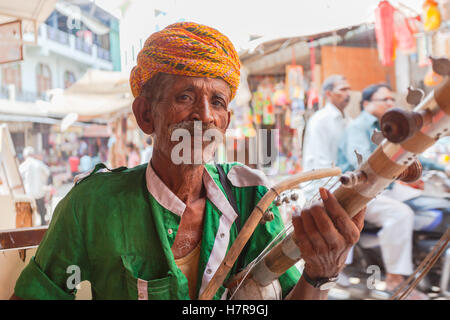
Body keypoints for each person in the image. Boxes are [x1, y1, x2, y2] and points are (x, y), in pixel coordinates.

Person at [11, 22, 364, 300]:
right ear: (146, 115)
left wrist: (322, 273)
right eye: (185, 96)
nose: (205, 116)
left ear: (226, 121)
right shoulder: (92, 204)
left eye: (219, 102)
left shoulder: (253, 198)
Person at [336, 83, 448, 299]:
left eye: (391, 99)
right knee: (401, 214)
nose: (390, 103)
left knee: (434, 206)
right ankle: (394, 280)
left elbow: (408, 154)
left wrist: (442, 168)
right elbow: (361, 163)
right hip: (363, 191)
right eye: (384, 100)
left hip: (387, 188)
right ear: (366, 103)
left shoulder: (389, 126)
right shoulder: (358, 128)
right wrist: (398, 170)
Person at [302, 74, 351, 172]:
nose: (348, 94)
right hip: (325, 183)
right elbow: (320, 161)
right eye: (343, 90)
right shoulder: (320, 120)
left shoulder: (349, 120)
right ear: (329, 94)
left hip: (342, 181)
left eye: (348, 89)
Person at [19, 146, 51, 226]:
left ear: (25, 156)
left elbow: (19, 178)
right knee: (42, 213)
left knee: (30, 214)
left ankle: (30, 226)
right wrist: (44, 182)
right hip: (39, 192)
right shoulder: (39, 163)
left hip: (28, 194)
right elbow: (47, 173)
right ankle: (43, 226)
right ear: (33, 155)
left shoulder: (23, 165)